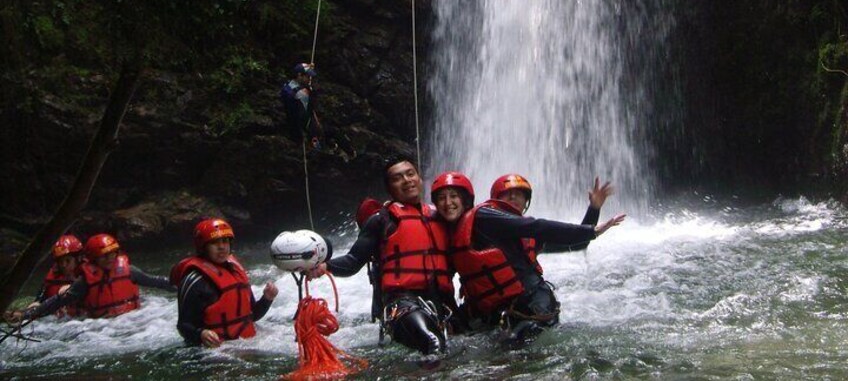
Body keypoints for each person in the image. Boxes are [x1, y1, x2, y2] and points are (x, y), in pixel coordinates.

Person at [441, 173, 625, 343]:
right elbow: (537, 226)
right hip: (496, 310)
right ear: (496, 202)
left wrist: (593, 210)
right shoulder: (484, 220)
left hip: (532, 305)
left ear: (526, 201)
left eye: (519, 194)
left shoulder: (528, 237)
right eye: (507, 195)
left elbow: (577, 244)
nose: (513, 198)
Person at [308, 156, 457, 357]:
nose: (407, 180)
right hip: (402, 302)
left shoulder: (440, 216)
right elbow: (353, 261)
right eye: (398, 178)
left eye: (411, 174)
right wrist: (325, 266)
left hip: (443, 302)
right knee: (432, 342)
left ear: (420, 179)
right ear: (389, 188)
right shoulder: (381, 221)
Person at [4, 233, 175, 324]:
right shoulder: (85, 281)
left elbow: (157, 282)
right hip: (99, 328)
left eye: (112, 254)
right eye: (104, 256)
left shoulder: (129, 270)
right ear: (94, 259)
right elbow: (58, 301)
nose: (110, 259)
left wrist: (181, 284)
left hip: (135, 321)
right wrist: (27, 314)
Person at [170, 218, 279, 347]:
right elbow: (184, 326)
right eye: (214, 243)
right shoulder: (195, 280)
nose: (221, 247)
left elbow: (251, 316)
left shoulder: (236, 272)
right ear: (203, 247)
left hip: (244, 344)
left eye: (225, 241)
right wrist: (200, 334)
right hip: (211, 352)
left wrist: (267, 299)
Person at [27, 235, 85, 318]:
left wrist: (73, 287)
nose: (64, 265)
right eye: (61, 262)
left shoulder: (87, 277)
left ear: (78, 259)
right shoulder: (52, 278)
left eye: (68, 260)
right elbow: (39, 301)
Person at [280, 62, 322, 148]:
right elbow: (311, 106)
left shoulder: (288, 86)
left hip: (291, 125)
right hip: (303, 129)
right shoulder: (302, 93)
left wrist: (309, 68)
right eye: (307, 76)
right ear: (299, 75)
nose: (309, 79)